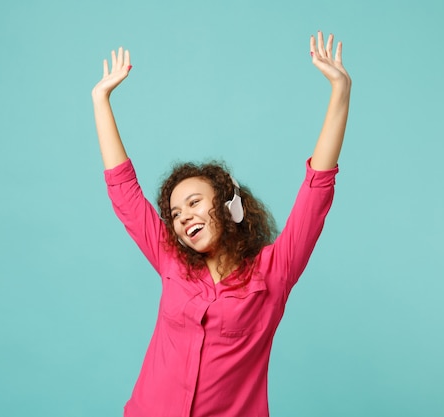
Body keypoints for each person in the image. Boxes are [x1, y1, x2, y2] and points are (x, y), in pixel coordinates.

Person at [92, 30, 351, 417]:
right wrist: (101, 101)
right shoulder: (171, 263)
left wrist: (340, 91)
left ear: (228, 202)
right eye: (176, 214)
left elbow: (317, 190)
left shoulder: (274, 273)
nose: (183, 219)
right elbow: (125, 193)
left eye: (194, 202)